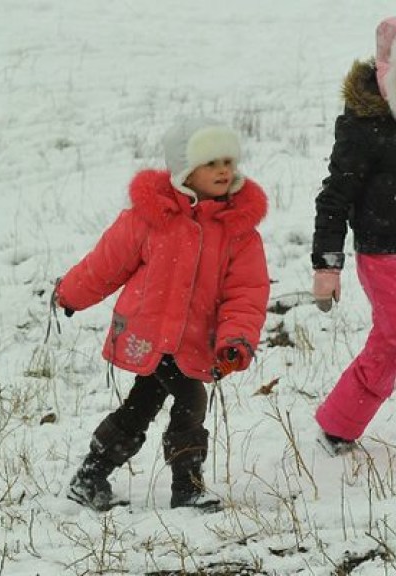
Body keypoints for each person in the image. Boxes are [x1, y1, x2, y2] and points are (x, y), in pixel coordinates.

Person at [54, 117, 270, 512]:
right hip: (147, 331)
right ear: (186, 171)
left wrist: (236, 338)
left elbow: (246, 293)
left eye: (228, 161)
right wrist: (70, 293)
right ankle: (186, 487)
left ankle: (90, 476)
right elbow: (105, 265)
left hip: (191, 340)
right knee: (191, 400)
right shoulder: (151, 218)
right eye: (211, 163)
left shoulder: (237, 231)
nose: (224, 170)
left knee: (141, 404)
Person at [312, 17, 396, 455]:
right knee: (393, 337)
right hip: (385, 254)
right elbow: (334, 197)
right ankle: (339, 426)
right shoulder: (367, 129)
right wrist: (327, 263)